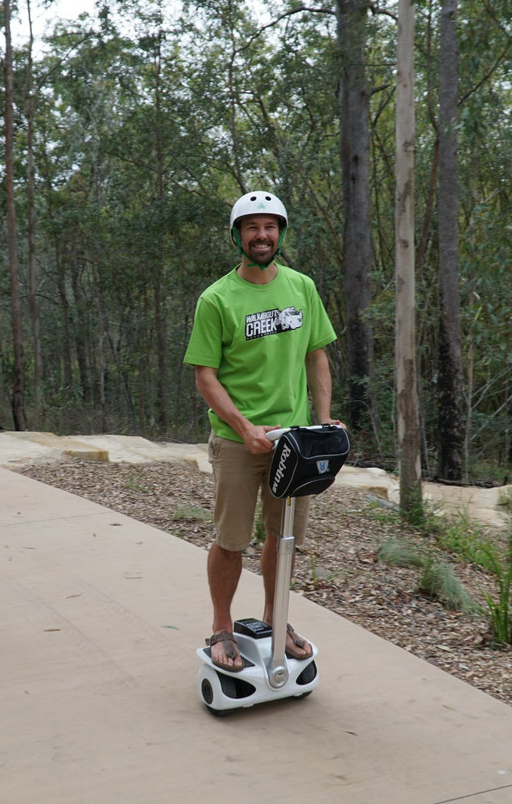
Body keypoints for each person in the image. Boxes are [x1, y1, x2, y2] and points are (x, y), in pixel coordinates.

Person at [183, 191, 341, 672]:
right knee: (232, 539)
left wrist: (324, 416)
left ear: (282, 233)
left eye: (270, 226)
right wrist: (245, 427)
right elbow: (205, 375)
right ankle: (221, 628)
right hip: (238, 441)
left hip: (294, 439)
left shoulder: (302, 287)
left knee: (284, 535)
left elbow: (317, 353)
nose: (262, 235)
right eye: (251, 227)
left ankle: (277, 619)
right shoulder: (217, 299)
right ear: (237, 236)